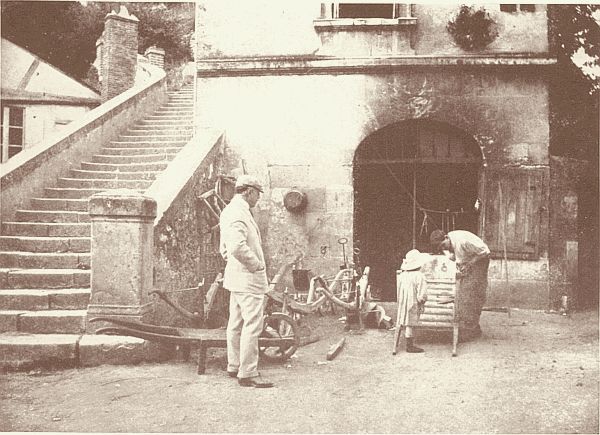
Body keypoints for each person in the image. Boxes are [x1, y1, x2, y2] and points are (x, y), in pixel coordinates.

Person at [219, 174, 273, 388]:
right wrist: (256, 264)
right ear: (249, 191)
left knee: (236, 324)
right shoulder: (238, 212)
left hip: (237, 278)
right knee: (252, 324)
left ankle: (234, 365)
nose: (258, 199)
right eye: (257, 194)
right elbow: (236, 247)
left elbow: (225, 248)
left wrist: (232, 262)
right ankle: (248, 372)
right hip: (248, 279)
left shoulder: (230, 211)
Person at [429, 229, 490, 338]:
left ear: (446, 237)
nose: (444, 249)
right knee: (462, 292)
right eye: (441, 248)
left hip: (480, 260)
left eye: (443, 245)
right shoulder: (449, 243)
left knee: (471, 293)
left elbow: (485, 251)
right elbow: (453, 256)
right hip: (468, 259)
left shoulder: (463, 241)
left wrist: (470, 264)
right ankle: (470, 326)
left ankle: (470, 330)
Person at [395, 249, 430, 353]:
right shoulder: (419, 276)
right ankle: (409, 345)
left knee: (404, 319)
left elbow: (398, 289)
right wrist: (422, 301)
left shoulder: (402, 275)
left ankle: (404, 342)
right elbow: (422, 293)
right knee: (411, 322)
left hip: (402, 301)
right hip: (413, 301)